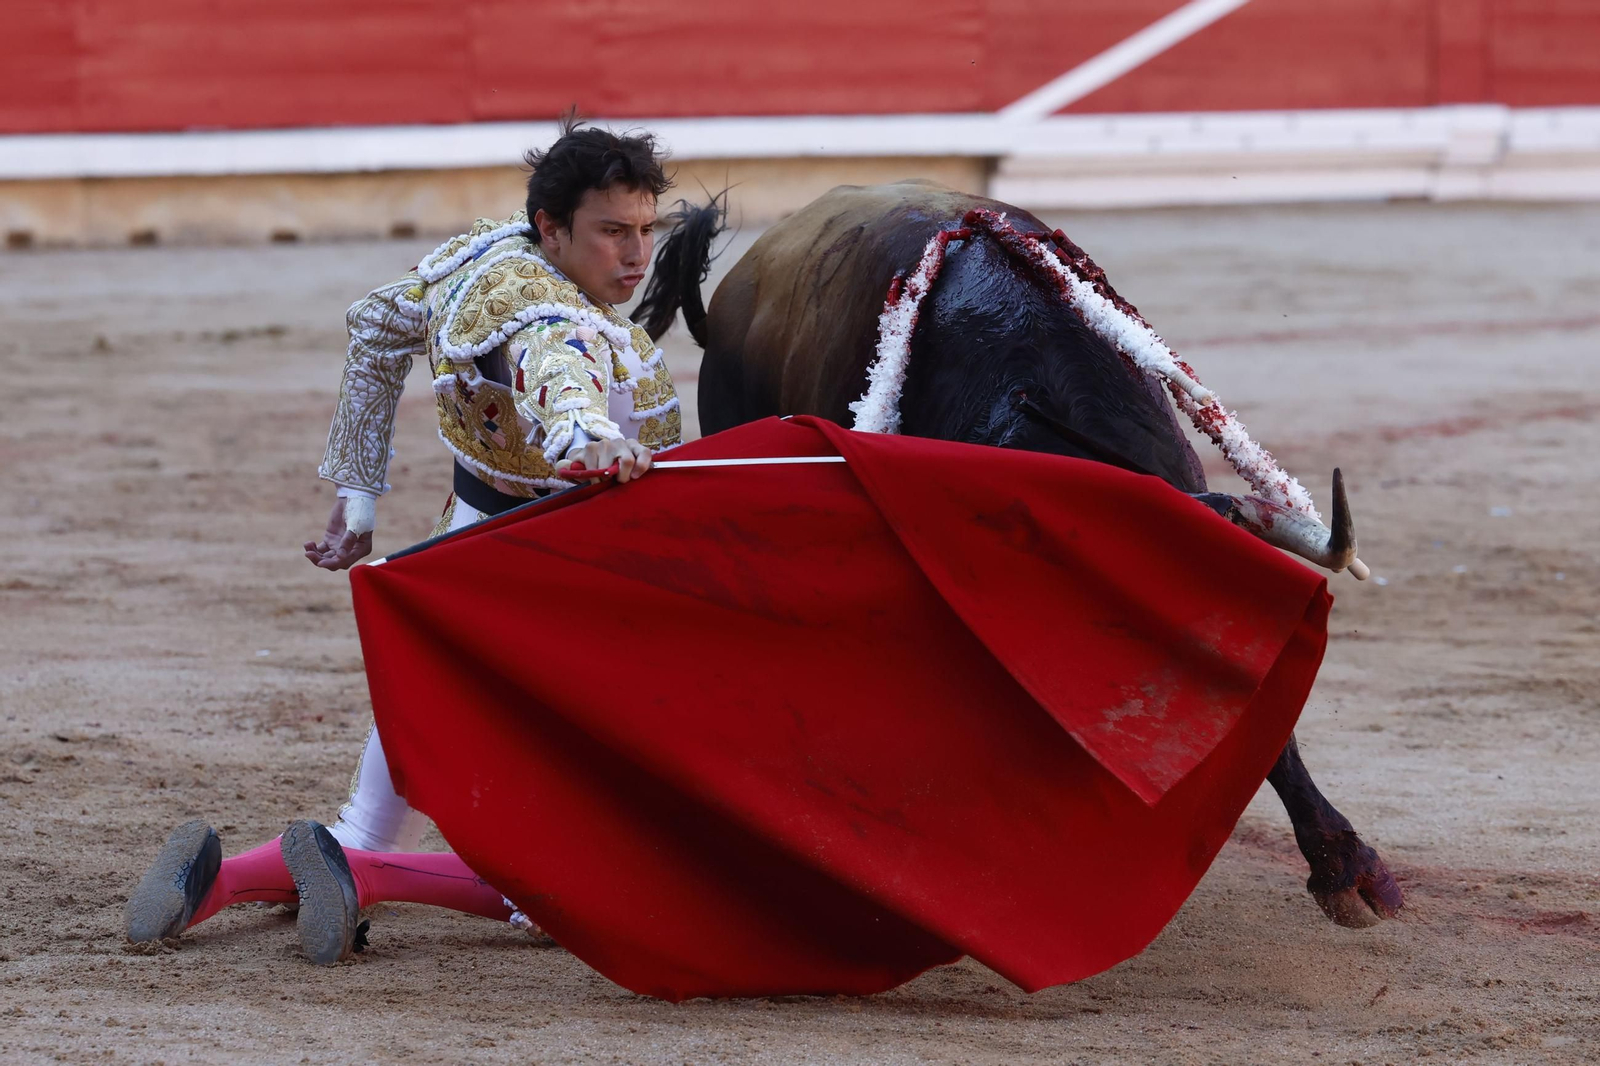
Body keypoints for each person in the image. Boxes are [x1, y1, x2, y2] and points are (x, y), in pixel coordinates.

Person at [126, 117, 686, 963]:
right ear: (552, 228)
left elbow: (377, 324)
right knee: (582, 886)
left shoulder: (482, 257)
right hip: (554, 592)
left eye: (647, 230)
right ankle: (377, 880)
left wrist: (357, 500)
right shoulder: (545, 311)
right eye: (613, 232)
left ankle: (223, 882)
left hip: (454, 555)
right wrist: (590, 441)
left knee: (364, 822)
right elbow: (559, 377)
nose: (636, 254)